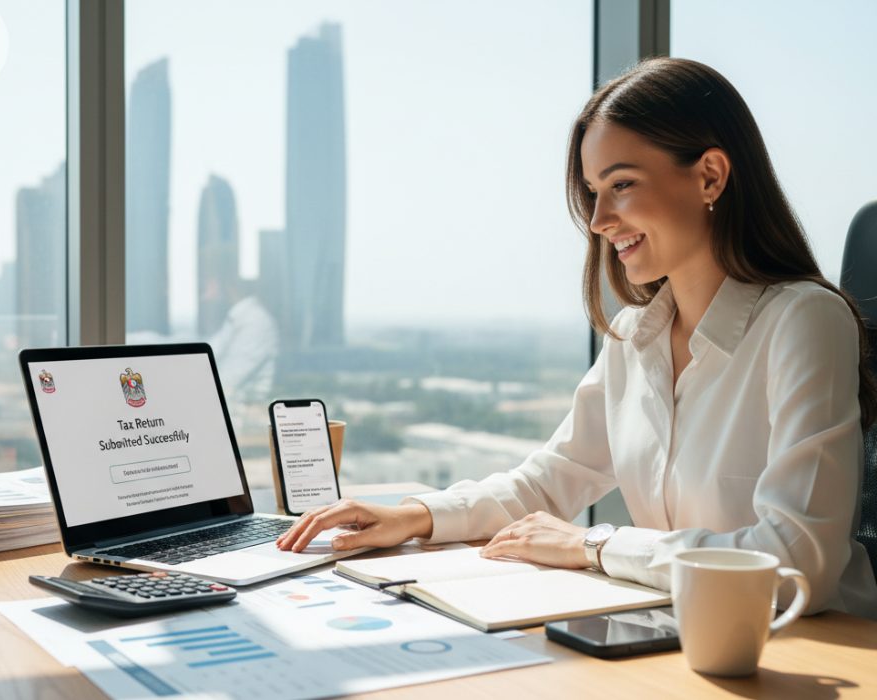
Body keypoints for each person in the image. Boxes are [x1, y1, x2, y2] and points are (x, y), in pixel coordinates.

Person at [276, 57, 877, 618]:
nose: (597, 221)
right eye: (593, 192)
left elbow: (800, 562)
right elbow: (549, 480)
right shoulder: (635, 339)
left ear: (710, 176)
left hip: (808, 647)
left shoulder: (803, 320)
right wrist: (414, 516)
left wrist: (595, 545)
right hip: (681, 635)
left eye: (621, 185)